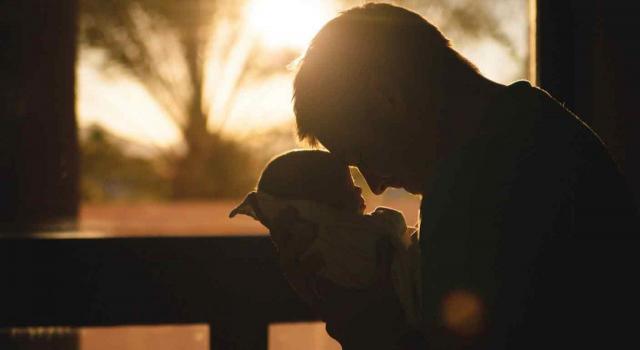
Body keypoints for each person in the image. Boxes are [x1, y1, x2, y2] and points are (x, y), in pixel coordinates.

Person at [273, 3, 639, 350]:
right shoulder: (538, 128)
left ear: (388, 99)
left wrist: (356, 319)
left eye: (362, 156)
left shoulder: (471, 190)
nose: (375, 184)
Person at [229, 149, 422, 329]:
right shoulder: (348, 238)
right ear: (317, 209)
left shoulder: (312, 257)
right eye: (347, 186)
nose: (360, 190)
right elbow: (395, 233)